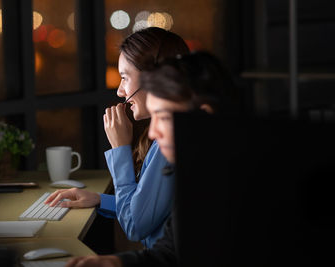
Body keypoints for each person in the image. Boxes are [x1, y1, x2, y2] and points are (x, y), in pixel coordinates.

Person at [63, 51, 238, 267]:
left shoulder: (240, 185)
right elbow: (169, 253)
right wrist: (114, 263)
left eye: (163, 117)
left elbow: (137, 225)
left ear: (204, 116)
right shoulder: (197, 174)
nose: (153, 132)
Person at [45, 27, 190, 248]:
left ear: (152, 79)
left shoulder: (168, 143)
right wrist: (100, 199)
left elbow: (135, 226)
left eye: (124, 78)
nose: (120, 92)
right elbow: (150, 207)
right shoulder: (169, 132)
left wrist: (121, 148)